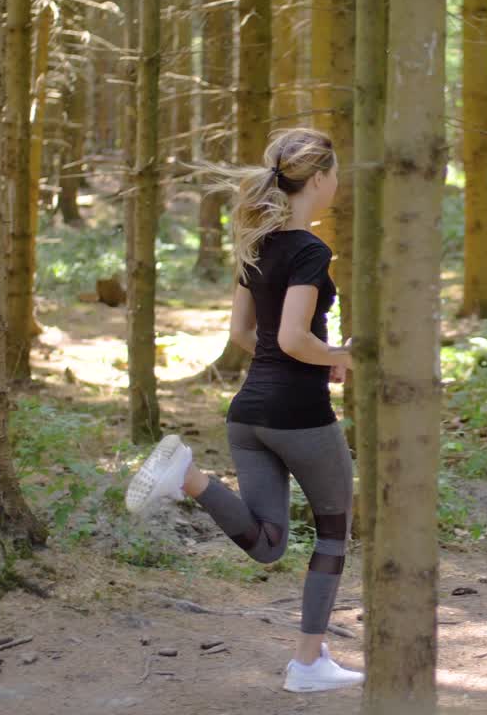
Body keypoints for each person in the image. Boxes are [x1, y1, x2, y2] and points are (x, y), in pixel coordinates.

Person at [124, 128, 362, 693]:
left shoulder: (256, 242)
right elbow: (292, 337)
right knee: (333, 531)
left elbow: (243, 333)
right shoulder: (309, 250)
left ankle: (189, 477)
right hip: (298, 416)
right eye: (336, 175)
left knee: (270, 543)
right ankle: (307, 666)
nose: (337, 183)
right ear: (321, 179)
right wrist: (337, 356)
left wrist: (304, 358)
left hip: (248, 415)